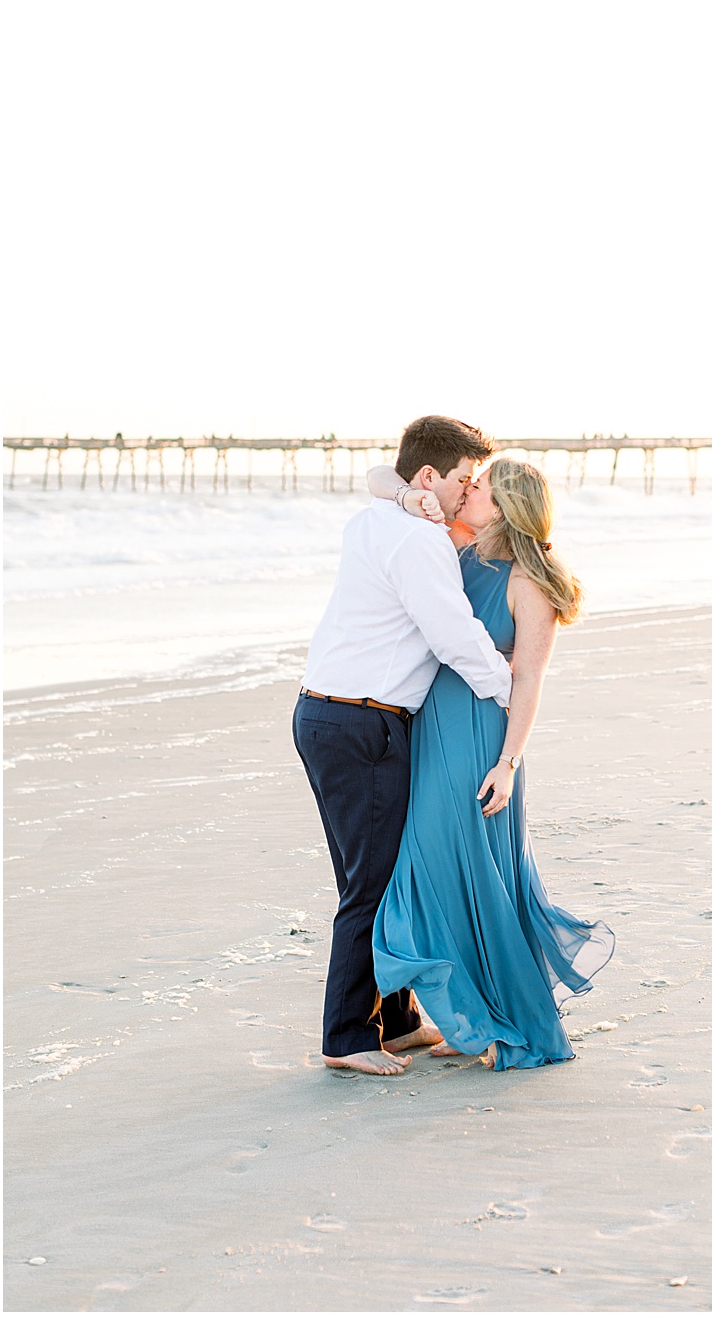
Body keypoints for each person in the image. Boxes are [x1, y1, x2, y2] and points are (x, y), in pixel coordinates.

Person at [367, 456, 614, 1070]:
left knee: (466, 875)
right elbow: (377, 477)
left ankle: (503, 1022)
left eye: (477, 488)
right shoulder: (455, 549)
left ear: (502, 507)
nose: (465, 491)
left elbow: (528, 679)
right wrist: (408, 500)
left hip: (480, 743)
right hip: (432, 729)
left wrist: (508, 762)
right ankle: (475, 1015)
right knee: (444, 872)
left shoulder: (528, 580)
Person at [292, 415, 512, 1077]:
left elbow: (380, 483)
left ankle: (397, 1020)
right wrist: (513, 690)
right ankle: (346, 1037)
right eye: (462, 481)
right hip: (363, 724)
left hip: (326, 716)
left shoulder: (372, 519)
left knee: (375, 877)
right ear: (427, 477)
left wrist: (405, 496)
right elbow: (454, 635)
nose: (465, 493)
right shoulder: (419, 542)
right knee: (374, 883)